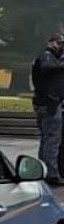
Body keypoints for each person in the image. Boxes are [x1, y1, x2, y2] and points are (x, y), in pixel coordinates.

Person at [31, 33, 64, 185]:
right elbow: (47, 68)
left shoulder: (48, 58)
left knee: (46, 139)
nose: (61, 46)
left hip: (44, 104)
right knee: (52, 139)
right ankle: (51, 173)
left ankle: (42, 170)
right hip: (50, 104)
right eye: (59, 43)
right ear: (51, 43)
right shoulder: (46, 57)